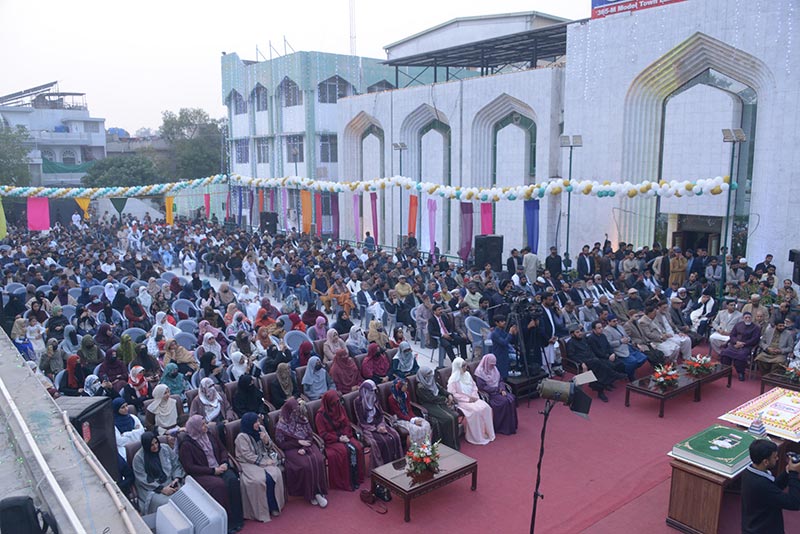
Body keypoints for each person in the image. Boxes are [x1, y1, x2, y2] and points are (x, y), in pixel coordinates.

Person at [178, 415, 244, 532]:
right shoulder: (186, 444)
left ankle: (237, 519)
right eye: (203, 425)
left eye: (205, 423)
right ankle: (225, 523)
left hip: (219, 467)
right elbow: (190, 467)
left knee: (232, 480)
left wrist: (224, 463)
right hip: (202, 474)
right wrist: (213, 471)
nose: (206, 426)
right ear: (196, 427)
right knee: (219, 486)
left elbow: (223, 450)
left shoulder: (210, 435)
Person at [274, 398, 329, 507]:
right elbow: (282, 445)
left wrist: (304, 447)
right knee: (306, 464)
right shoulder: (281, 425)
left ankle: (319, 491)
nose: (296, 413)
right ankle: (311, 494)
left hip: (306, 444)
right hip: (291, 449)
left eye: (297, 410)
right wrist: (297, 442)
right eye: (294, 411)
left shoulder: (302, 419)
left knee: (318, 459)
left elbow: (309, 435)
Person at [741, 438, 800, 533]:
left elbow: (774, 487)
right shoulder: (761, 484)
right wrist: (794, 473)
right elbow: (794, 503)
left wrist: (787, 471)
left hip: (754, 526)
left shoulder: (748, 472)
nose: (777, 459)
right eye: (775, 457)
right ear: (765, 462)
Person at [235, 412, 285, 522]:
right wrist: (264, 462)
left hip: (264, 458)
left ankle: (274, 506)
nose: (258, 424)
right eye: (255, 422)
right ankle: (262, 512)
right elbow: (247, 455)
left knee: (275, 475)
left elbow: (270, 445)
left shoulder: (261, 429)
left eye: (258, 421)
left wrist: (266, 441)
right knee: (259, 481)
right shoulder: (241, 437)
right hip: (248, 463)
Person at [314, 390, 366, 491]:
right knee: (343, 452)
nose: (336, 405)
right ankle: (346, 481)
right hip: (332, 440)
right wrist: (338, 438)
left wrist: (345, 436)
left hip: (344, 436)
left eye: (337, 402)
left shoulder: (340, 408)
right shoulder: (320, 415)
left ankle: (356, 478)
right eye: (333, 403)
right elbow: (323, 434)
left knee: (357, 448)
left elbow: (347, 423)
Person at [132, 432, 186, 514]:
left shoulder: (165, 448)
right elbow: (142, 479)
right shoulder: (138, 458)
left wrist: (176, 479)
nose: (155, 446)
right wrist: (162, 489)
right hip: (152, 488)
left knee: (184, 496)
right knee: (168, 503)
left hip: (170, 481)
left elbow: (176, 465)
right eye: (151, 445)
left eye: (156, 442)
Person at [354, 380, 403, 466]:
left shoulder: (375, 398)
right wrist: (375, 429)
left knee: (395, 436)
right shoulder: (358, 402)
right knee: (378, 442)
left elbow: (380, 414)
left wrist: (381, 425)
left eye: (374, 391)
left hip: (379, 424)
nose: (373, 393)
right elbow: (361, 420)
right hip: (367, 427)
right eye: (371, 391)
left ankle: (396, 461)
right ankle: (380, 466)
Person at [447, 357, 495, 445]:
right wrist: (468, 399)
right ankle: (477, 437)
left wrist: (473, 396)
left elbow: (474, 387)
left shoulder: (468, 375)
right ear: (458, 367)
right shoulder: (453, 380)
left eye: (466, 365)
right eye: (463, 366)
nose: (466, 367)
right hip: (462, 402)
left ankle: (487, 433)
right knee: (476, 411)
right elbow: (453, 394)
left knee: (487, 408)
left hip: (474, 398)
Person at [474, 354, 518, 435]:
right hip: (490, 394)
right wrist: (497, 390)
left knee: (511, 398)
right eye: (491, 365)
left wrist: (502, 389)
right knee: (504, 402)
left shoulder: (495, 369)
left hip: (499, 391)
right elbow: (482, 387)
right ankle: (502, 427)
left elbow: (500, 380)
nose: (493, 366)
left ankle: (511, 426)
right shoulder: (480, 373)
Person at [386, 378, 432, 447]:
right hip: (399, 419)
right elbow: (399, 414)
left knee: (426, 425)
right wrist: (412, 420)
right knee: (416, 429)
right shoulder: (392, 399)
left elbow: (409, 409)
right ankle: (415, 450)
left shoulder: (406, 394)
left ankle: (426, 447)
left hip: (409, 416)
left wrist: (414, 418)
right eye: (405, 386)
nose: (407, 387)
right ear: (399, 387)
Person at [720, 311, 762, 381]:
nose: (748, 319)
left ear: (751, 318)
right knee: (725, 352)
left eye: (749, 318)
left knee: (741, 356)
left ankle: (741, 373)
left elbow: (755, 339)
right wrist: (736, 342)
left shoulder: (755, 328)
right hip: (735, 344)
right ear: (743, 318)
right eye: (746, 317)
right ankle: (726, 371)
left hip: (747, 346)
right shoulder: (738, 325)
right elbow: (732, 335)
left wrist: (743, 344)